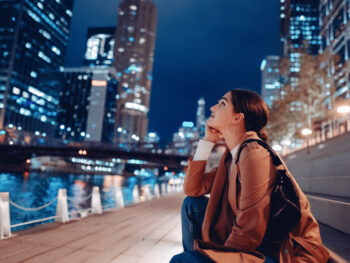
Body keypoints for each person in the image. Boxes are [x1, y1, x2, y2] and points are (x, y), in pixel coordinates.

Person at [170, 89, 330, 263]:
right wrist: (207, 142)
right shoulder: (232, 158)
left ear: (238, 118)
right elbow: (193, 189)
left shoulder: (254, 153)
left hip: (285, 253)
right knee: (191, 205)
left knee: (183, 261)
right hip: (261, 245)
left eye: (222, 104)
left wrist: (218, 257)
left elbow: (249, 230)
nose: (213, 108)